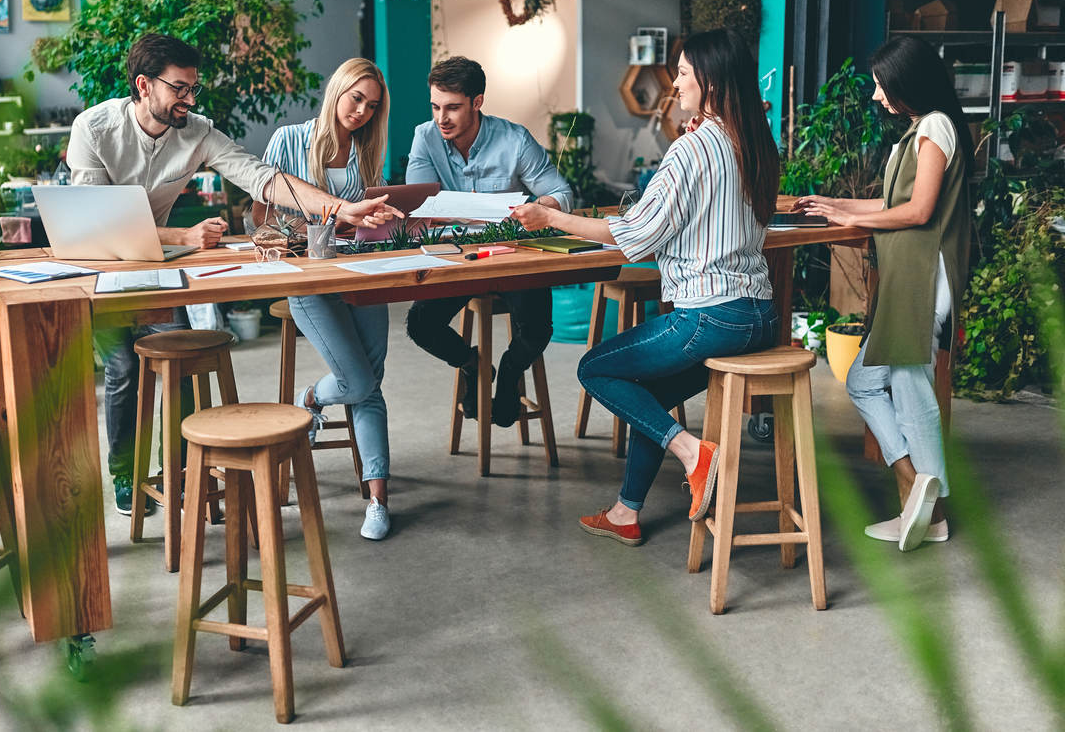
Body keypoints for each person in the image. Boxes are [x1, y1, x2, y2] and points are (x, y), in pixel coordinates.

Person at [67, 33, 401, 515]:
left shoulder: (197, 131)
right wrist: (181, 238)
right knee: (122, 368)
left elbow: (263, 178)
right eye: (179, 88)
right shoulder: (94, 128)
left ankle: (178, 471)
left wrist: (341, 209)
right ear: (144, 85)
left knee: (177, 361)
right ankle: (127, 476)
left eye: (193, 88)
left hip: (157, 266)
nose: (189, 98)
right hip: (104, 264)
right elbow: (98, 220)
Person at [510, 29, 780, 546]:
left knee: (595, 368)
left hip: (710, 317)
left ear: (712, 81)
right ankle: (625, 512)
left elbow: (632, 236)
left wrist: (548, 217)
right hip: (760, 318)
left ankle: (693, 454)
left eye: (682, 73)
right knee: (648, 396)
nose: (675, 84)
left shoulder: (693, 149)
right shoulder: (756, 141)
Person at [797, 36, 971, 552]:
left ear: (907, 85)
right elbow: (895, 201)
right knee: (865, 382)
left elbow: (919, 212)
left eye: (881, 86)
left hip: (924, 279)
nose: (876, 96)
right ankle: (913, 488)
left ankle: (930, 507)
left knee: (911, 388)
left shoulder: (936, 126)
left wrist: (851, 216)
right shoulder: (918, 131)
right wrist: (837, 203)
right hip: (906, 279)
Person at [261, 58, 395, 539]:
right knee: (359, 381)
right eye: (356, 98)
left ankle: (378, 499)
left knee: (369, 383)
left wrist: (384, 221)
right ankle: (312, 398)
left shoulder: (365, 151)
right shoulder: (288, 140)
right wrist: (339, 221)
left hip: (362, 275)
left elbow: (368, 223)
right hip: (309, 280)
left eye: (372, 105)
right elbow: (263, 224)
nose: (361, 111)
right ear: (337, 88)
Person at [404, 56, 572, 427]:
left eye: (452, 107)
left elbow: (561, 192)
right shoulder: (425, 137)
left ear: (477, 102)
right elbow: (420, 205)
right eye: (435, 107)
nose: (441, 118)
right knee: (420, 324)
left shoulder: (513, 139)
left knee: (538, 329)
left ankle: (510, 372)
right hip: (458, 260)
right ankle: (473, 364)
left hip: (511, 255)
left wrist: (536, 208)